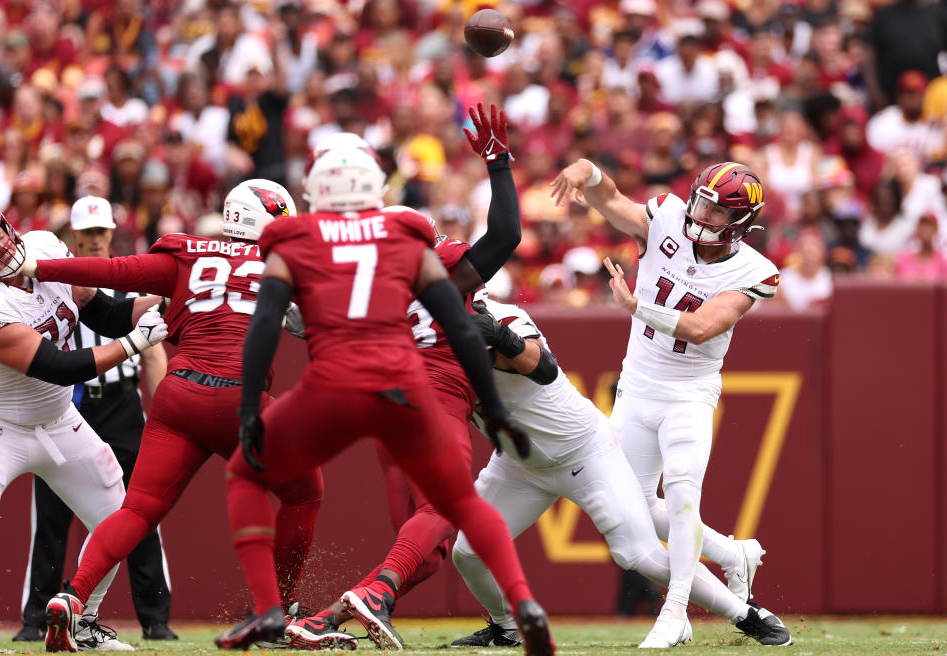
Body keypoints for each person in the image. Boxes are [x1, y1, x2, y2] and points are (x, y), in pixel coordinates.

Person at [214, 145, 554, 656]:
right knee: (454, 501)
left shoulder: (298, 238)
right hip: (411, 391)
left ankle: (275, 610)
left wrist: (248, 408)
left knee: (248, 477)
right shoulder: (407, 242)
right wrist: (497, 408)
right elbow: (464, 321)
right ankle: (521, 602)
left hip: (335, 385)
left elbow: (269, 322)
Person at [3, 180, 324, 653]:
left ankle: (73, 597)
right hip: (240, 400)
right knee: (305, 493)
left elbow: (110, 271)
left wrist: (33, 265)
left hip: (180, 394)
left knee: (136, 509)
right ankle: (281, 610)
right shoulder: (286, 265)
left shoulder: (187, 254)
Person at [285, 106, 526, 651]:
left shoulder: (361, 281)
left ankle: (327, 619)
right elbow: (506, 233)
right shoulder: (436, 263)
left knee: (427, 545)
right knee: (447, 508)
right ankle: (373, 597)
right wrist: (498, 164)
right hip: (434, 397)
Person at [449, 297, 791, 648]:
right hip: (518, 464)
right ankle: (507, 627)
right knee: (468, 550)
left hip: (584, 451)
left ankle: (747, 615)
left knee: (639, 555)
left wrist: (500, 337)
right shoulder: (425, 339)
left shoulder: (498, 315)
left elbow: (542, 365)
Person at [549, 159, 780, 647]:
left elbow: (702, 327)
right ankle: (732, 554)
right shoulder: (668, 217)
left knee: (681, 494)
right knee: (628, 501)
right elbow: (611, 200)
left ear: (740, 223)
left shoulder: (754, 270)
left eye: (719, 212)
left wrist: (638, 307)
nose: (704, 214)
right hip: (636, 387)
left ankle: (675, 611)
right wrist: (586, 171)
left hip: (689, 395)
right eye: (703, 201)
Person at [0, 209, 169, 651]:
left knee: (117, 520)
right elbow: (56, 367)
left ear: (11, 228)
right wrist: (133, 345)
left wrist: (172, 301)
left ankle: (81, 622)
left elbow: (104, 313)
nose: (0, 251)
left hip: (60, 422)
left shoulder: (47, 247)